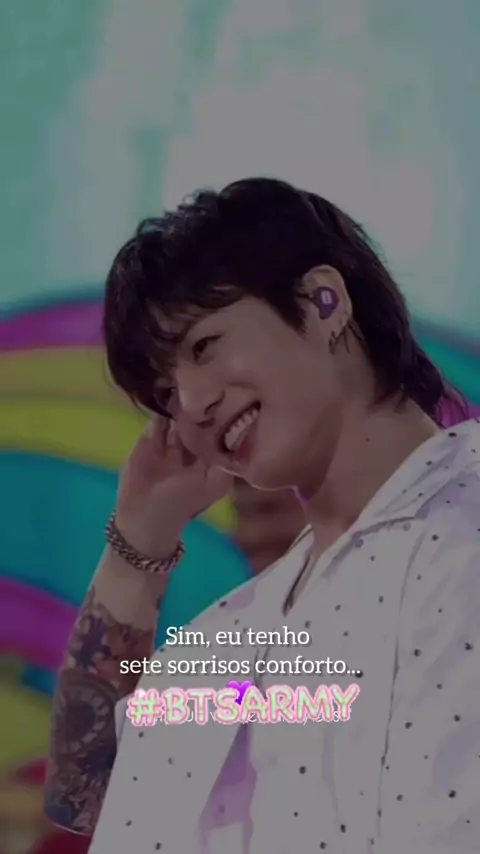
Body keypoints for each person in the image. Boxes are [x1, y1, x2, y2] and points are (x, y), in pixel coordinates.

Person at [45, 177, 480, 853]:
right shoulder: (235, 631)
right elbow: (82, 792)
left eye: (203, 346)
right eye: (165, 394)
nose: (190, 405)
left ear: (322, 302)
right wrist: (138, 541)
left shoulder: (458, 530)